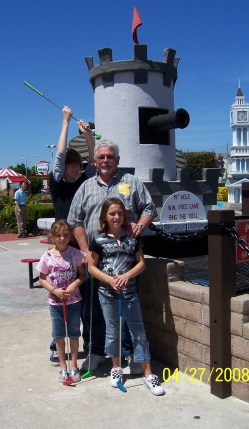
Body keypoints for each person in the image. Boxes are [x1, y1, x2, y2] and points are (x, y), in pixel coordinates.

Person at [67, 139, 158, 373]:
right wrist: (85, 250)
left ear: (117, 160)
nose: (106, 161)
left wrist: (140, 224)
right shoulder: (86, 187)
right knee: (95, 310)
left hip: (126, 262)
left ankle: (128, 355)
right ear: (95, 161)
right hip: (96, 260)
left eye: (110, 157)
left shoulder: (132, 183)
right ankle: (97, 352)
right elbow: (74, 221)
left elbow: (149, 209)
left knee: (129, 309)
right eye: (102, 157)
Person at [88, 197, 164, 395]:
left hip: (130, 293)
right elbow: (91, 267)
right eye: (112, 213)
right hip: (107, 293)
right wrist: (109, 279)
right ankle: (116, 368)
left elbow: (141, 263)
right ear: (105, 215)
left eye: (120, 213)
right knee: (112, 331)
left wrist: (126, 276)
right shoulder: (97, 238)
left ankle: (148, 373)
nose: (116, 216)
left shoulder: (133, 237)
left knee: (138, 332)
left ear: (125, 215)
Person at [48, 106, 95, 365]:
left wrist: (86, 133)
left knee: (83, 297)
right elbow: (60, 154)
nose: (75, 170)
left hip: (81, 247)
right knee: (59, 296)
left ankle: (85, 340)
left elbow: (94, 158)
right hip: (61, 247)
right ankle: (56, 345)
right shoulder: (57, 182)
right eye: (71, 166)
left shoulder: (83, 181)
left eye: (77, 166)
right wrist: (65, 121)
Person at [36, 219, 86, 384]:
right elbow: (42, 278)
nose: (62, 238)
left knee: (73, 333)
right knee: (58, 335)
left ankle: (73, 364)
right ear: (52, 237)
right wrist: (53, 290)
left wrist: (74, 285)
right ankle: (62, 365)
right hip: (56, 304)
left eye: (65, 235)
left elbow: (82, 275)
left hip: (74, 302)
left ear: (70, 236)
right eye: (58, 236)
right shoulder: (47, 256)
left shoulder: (75, 254)